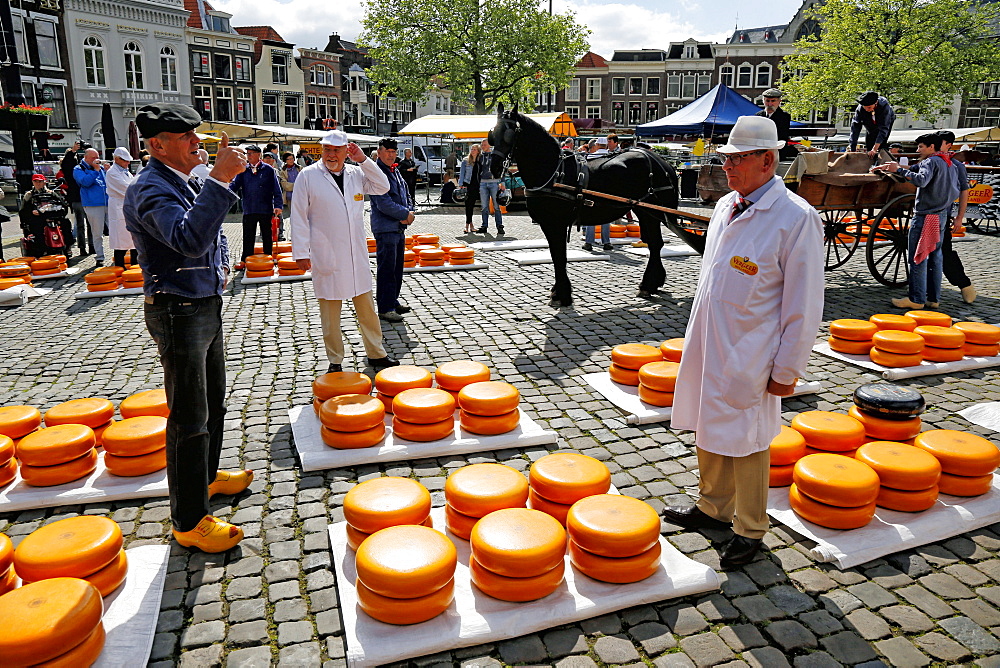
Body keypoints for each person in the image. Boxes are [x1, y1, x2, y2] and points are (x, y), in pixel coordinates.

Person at [664, 115, 824, 569]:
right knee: (708, 424)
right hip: (712, 339)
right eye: (726, 158)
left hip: (753, 350)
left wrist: (787, 369)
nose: (728, 166)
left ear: (768, 159)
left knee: (749, 439)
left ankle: (750, 528)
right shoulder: (725, 206)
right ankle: (713, 507)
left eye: (738, 159)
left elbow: (805, 304)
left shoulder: (795, 218)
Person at [124, 103, 252, 553]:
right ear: (157, 145)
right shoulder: (148, 188)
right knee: (188, 416)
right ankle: (188, 519)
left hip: (202, 302)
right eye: (185, 137)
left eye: (195, 134)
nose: (197, 142)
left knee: (212, 402)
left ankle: (208, 478)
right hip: (177, 310)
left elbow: (209, 237)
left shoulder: (180, 178)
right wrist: (219, 180)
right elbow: (186, 238)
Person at [289, 129, 400, 373]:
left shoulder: (356, 174)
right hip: (325, 252)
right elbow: (297, 216)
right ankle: (335, 360)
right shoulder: (307, 176)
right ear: (321, 150)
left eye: (336, 150)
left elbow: (382, 185)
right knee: (330, 314)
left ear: (345, 152)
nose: (331, 155)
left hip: (355, 253)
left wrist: (363, 159)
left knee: (367, 309)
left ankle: (376, 353)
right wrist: (300, 252)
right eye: (327, 149)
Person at [874, 133, 957, 309]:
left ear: (931, 147)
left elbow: (922, 180)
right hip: (940, 215)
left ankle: (916, 299)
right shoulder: (948, 163)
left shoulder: (930, 162)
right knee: (935, 257)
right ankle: (933, 299)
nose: (918, 150)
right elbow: (955, 191)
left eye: (921, 147)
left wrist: (899, 170)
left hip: (925, 215)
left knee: (917, 257)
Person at [370, 138, 416, 323]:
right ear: (379, 152)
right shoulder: (376, 171)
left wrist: (410, 211)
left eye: (393, 151)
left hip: (398, 226)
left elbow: (406, 193)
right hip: (385, 227)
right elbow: (383, 202)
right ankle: (385, 307)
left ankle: (392, 301)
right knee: (387, 268)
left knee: (397, 268)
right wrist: (405, 213)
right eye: (387, 151)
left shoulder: (394, 169)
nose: (391, 154)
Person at [937, 130, 976, 304]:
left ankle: (964, 284)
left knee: (945, 251)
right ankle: (927, 293)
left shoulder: (956, 166)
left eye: (940, 143)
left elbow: (964, 192)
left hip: (943, 215)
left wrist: (960, 217)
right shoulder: (929, 161)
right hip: (925, 215)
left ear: (949, 145)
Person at [229, 146, 283, 268]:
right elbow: (235, 186)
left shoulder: (268, 170)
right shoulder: (244, 170)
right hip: (249, 208)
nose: (249, 156)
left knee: (267, 235)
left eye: (251, 153)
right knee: (248, 235)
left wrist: (278, 205)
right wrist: (224, 191)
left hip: (266, 208)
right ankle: (245, 259)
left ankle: (268, 257)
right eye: (247, 154)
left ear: (258, 154)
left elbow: (276, 189)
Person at [19, 174, 73, 256]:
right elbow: (23, 211)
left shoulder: (52, 193)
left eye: (40, 181)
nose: (38, 183)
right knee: (36, 229)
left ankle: (68, 246)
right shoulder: (29, 195)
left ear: (44, 182)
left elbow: (62, 206)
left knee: (66, 224)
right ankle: (41, 249)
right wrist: (31, 212)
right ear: (32, 182)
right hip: (37, 219)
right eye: (35, 181)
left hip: (53, 217)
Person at [74, 148, 109, 264]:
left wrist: (108, 172)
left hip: (107, 202)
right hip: (92, 204)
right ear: (86, 157)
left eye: (97, 157)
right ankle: (100, 256)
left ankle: (119, 253)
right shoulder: (79, 169)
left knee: (115, 229)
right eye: (93, 158)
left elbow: (106, 183)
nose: (96, 160)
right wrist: (95, 171)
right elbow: (85, 182)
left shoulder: (100, 168)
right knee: (97, 232)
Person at [105, 147, 136, 268]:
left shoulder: (126, 171)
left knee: (133, 240)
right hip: (119, 207)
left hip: (128, 207)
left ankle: (135, 266)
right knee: (120, 242)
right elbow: (127, 188)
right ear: (117, 159)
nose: (128, 163)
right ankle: (119, 267)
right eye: (125, 160)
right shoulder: (112, 172)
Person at [61, 142, 91, 256]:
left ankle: (91, 246)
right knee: (80, 225)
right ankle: (82, 247)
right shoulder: (71, 168)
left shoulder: (86, 166)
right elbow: (66, 164)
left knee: (89, 224)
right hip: (77, 198)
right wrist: (72, 151)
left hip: (86, 198)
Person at [849, 91, 896, 158]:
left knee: (881, 144)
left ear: (876, 103)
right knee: (869, 140)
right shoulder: (860, 109)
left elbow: (883, 129)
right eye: (865, 107)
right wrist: (852, 147)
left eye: (869, 107)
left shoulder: (884, 107)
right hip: (869, 122)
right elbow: (855, 128)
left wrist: (874, 149)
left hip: (885, 121)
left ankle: (881, 157)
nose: (866, 109)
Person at [756, 88, 796, 160]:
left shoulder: (784, 116)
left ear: (779, 101)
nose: (770, 104)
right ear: (763, 101)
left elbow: (781, 136)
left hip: (777, 152)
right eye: (767, 101)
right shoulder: (758, 115)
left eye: (773, 101)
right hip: (761, 151)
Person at [477, 139, 505, 235]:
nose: (482, 146)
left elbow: (502, 169)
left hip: (494, 182)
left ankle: (499, 226)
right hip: (483, 183)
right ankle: (484, 226)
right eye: (482, 145)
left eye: (484, 144)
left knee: (496, 206)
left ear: (489, 145)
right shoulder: (480, 157)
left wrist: (503, 182)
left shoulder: (495, 156)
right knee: (484, 206)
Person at [459, 144, 482, 233]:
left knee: (471, 205)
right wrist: (461, 184)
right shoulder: (465, 160)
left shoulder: (480, 160)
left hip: (476, 185)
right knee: (468, 205)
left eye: (474, 149)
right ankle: (467, 225)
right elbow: (462, 173)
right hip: (467, 184)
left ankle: (470, 225)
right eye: (472, 149)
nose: (472, 151)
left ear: (478, 151)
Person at [280, 153, 300, 241]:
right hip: (290, 197)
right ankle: (294, 235)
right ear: (285, 160)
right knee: (293, 217)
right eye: (289, 159)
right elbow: (285, 185)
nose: (291, 160)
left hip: (301, 196)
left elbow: (305, 182)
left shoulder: (300, 168)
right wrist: (297, 185)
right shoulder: (283, 171)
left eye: (292, 158)